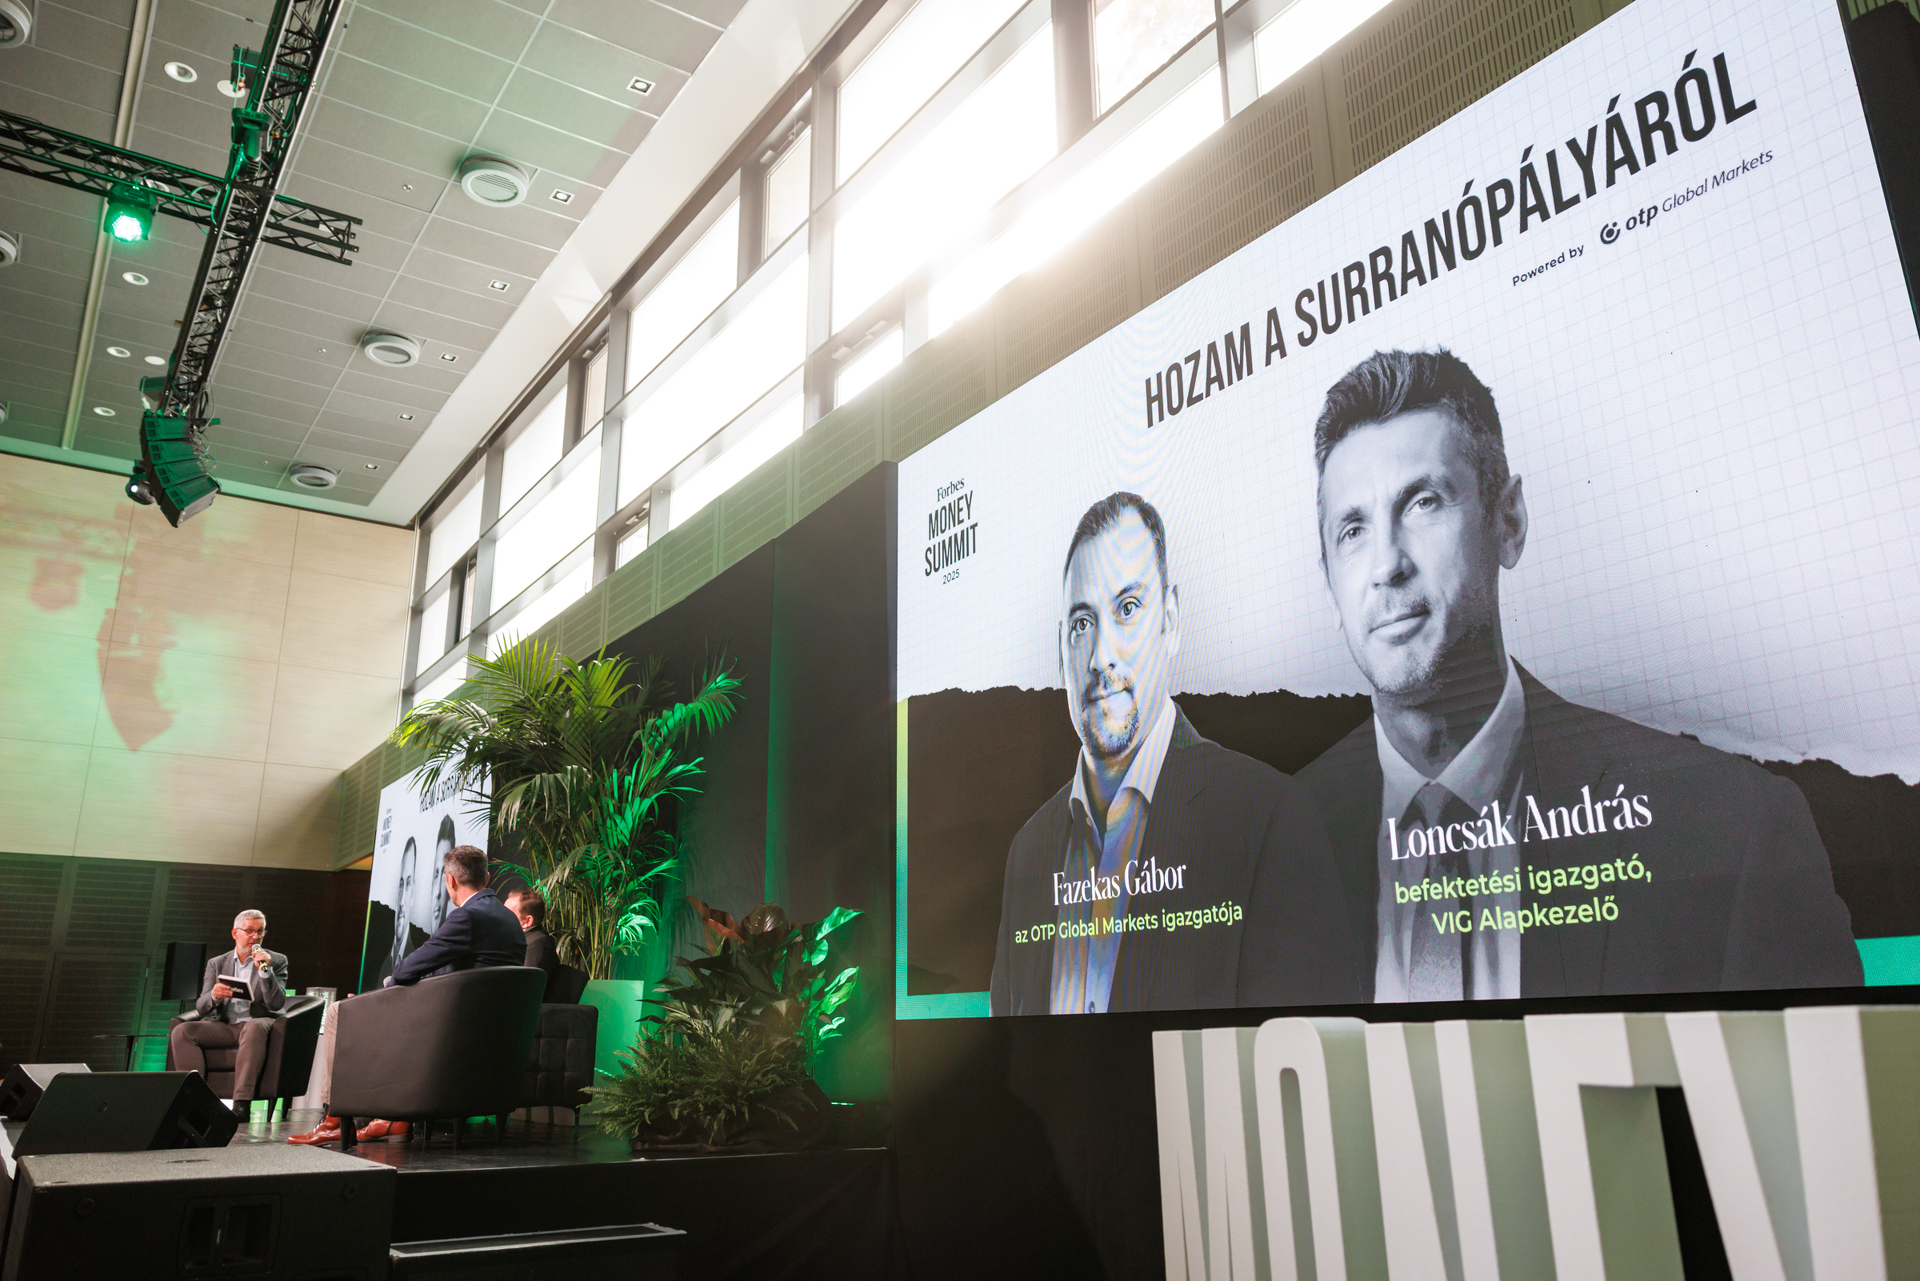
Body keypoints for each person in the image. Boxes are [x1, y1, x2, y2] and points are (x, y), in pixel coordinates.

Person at [1294, 348, 1862, 1001]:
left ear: (1509, 522)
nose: (1386, 565)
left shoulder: (1733, 833)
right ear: (1330, 583)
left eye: (1423, 503)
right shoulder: (1281, 838)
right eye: (1353, 530)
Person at [989, 492, 1359, 1014]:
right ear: (1060, 651)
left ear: (1171, 621)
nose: (1101, 656)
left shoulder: (1269, 819)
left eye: (1128, 608)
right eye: (1082, 624)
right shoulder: (1027, 852)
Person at [289, 846, 525, 1145]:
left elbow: (404, 971)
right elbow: (463, 976)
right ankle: (393, 1120)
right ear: (487, 877)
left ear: (450, 880)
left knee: (339, 1011)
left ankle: (334, 1118)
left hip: (449, 1030)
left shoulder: (467, 917)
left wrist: (385, 988)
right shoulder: (509, 919)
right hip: (490, 1031)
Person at [170, 910, 287, 1114]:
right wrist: (214, 995)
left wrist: (265, 972)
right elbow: (201, 1006)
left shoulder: (276, 961)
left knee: (253, 1027)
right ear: (235, 933)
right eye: (249, 931)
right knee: (182, 1031)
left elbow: (275, 1004)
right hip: (225, 1026)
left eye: (260, 931)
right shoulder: (217, 963)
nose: (255, 936)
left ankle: (241, 1104)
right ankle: (195, 1101)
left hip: (257, 1023)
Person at [505, 887, 563, 1001]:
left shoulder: (537, 943)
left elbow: (524, 987)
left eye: (508, 914)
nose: (501, 916)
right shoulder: (523, 940)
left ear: (527, 921)